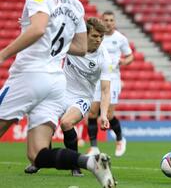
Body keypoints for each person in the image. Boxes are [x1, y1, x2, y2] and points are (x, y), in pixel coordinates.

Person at [0, 0, 117, 188]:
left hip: (30, 74)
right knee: (37, 154)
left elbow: (39, 28)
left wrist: (4, 53)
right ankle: (90, 163)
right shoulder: (74, 1)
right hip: (55, 83)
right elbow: (81, 47)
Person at [24, 17, 113, 177]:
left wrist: (104, 115)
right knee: (44, 120)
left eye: (101, 37)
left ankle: (75, 166)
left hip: (82, 97)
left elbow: (105, 90)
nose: (98, 40)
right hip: (59, 92)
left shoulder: (104, 58)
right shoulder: (72, 43)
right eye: (94, 36)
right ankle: (37, 162)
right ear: (84, 35)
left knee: (66, 123)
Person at [86, 11, 134, 157]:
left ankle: (120, 139)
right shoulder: (97, 37)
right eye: (105, 20)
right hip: (97, 77)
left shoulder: (120, 38)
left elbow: (130, 55)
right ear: (101, 21)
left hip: (112, 78)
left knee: (107, 114)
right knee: (93, 112)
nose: (108, 22)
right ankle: (94, 147)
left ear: (115, 22)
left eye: (111, 20)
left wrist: (125, 61)